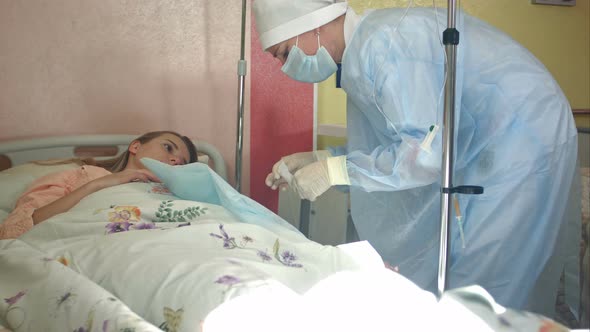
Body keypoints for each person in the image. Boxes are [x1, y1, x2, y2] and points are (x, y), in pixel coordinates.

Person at [253, 0, 580, 315]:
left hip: (521, 138)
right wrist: (321, 158)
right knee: (465, 264)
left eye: (284, 52)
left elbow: (422, 155)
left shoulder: (382, 46)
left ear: (315, 25)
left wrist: (335, 169)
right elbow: (401, 142)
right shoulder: (362, 52)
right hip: (489, 142)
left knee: (486, 275)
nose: (285, 67)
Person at [0, 131, 198, 239]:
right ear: (135, 147)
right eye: (168, 147)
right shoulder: (83, 175)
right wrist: (98, 184)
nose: (175, 160)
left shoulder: (181, 194)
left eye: (182, 162)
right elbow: (14, 231)